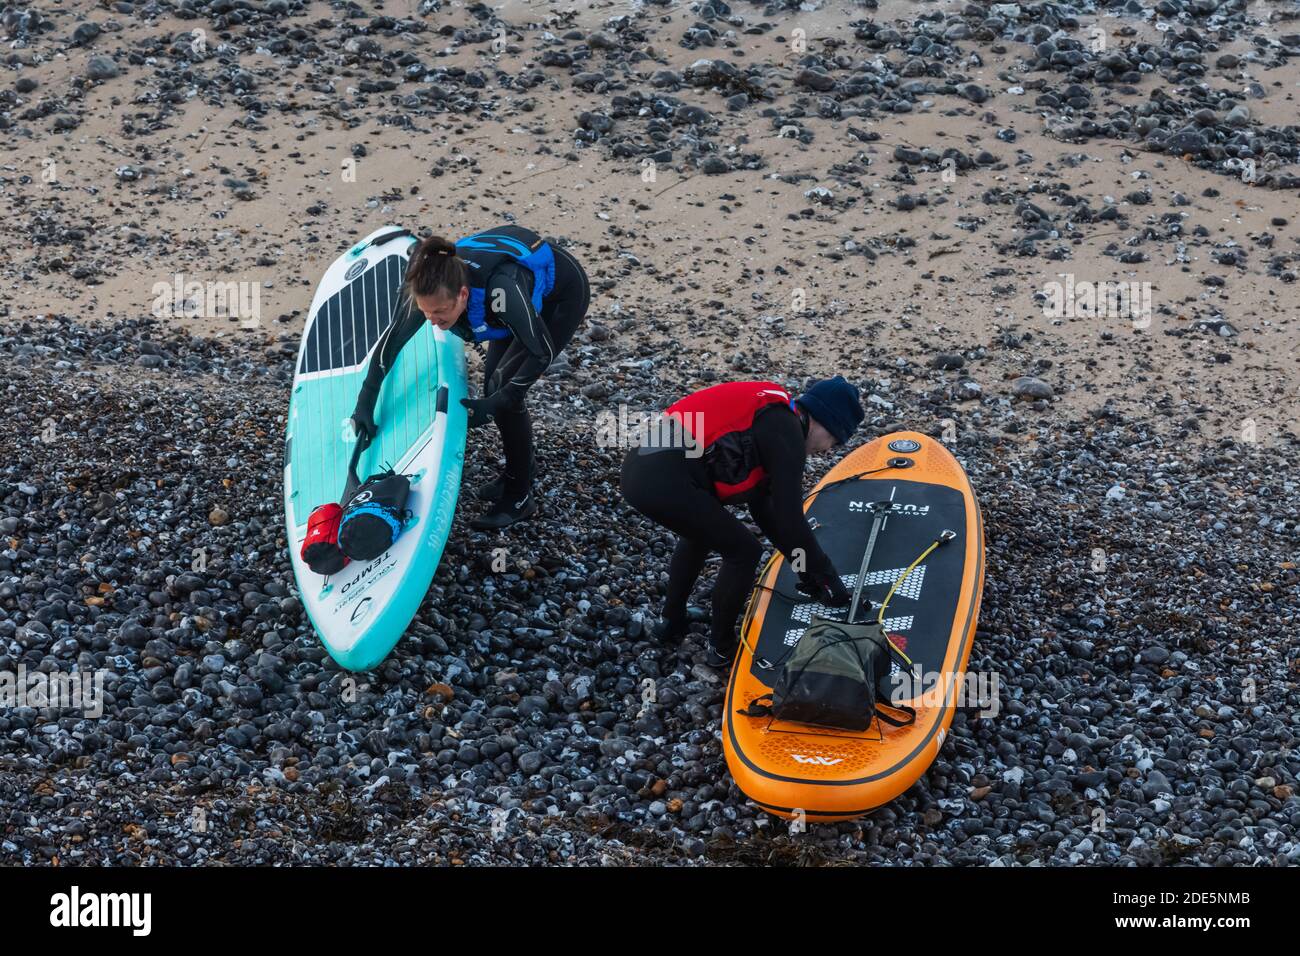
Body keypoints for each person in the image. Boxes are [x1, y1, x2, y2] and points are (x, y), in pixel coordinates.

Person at [350, 225, 590, 530]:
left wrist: (495, 405)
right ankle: (520, 470)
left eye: (440, 313)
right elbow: (390, 345)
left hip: (560, 297)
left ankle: (519, 497)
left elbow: (540, 352)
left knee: (504, 393)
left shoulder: (503, 292)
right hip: (507, 310)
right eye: (426, 314)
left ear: (463, 295)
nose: (433, 322)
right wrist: (365, 403)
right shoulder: (426, 292)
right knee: (496, 386)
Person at [620, 377, 865, 666]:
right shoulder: (785, 431)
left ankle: (671, 621)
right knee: (744, 552)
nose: (828, 449)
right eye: (835, 439)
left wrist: (805, 573)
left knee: (700, 534)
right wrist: (828, 577)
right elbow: (790, 519)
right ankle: (721, 649)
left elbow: (767, 514)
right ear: (824, 421)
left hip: (640, 468)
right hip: (661, 478)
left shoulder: (770, 418)